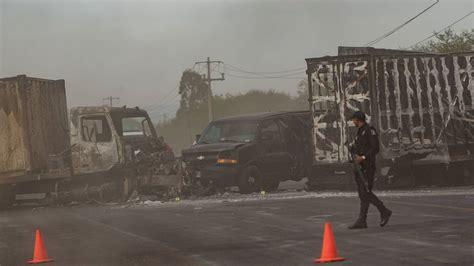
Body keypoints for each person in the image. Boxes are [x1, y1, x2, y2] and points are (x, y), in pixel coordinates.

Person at [348, 111, 392, 229]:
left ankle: (383, 210)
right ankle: (362, 220)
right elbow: (359, 147)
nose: (353, 122)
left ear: (358, 119)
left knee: (365, 192)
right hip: (360, 167)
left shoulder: (369, 130)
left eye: (354, 120)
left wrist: (363, 157)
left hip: (367, 166)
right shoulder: (359, 132)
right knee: (363, 194)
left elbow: (375, 148)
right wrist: (352, 148)